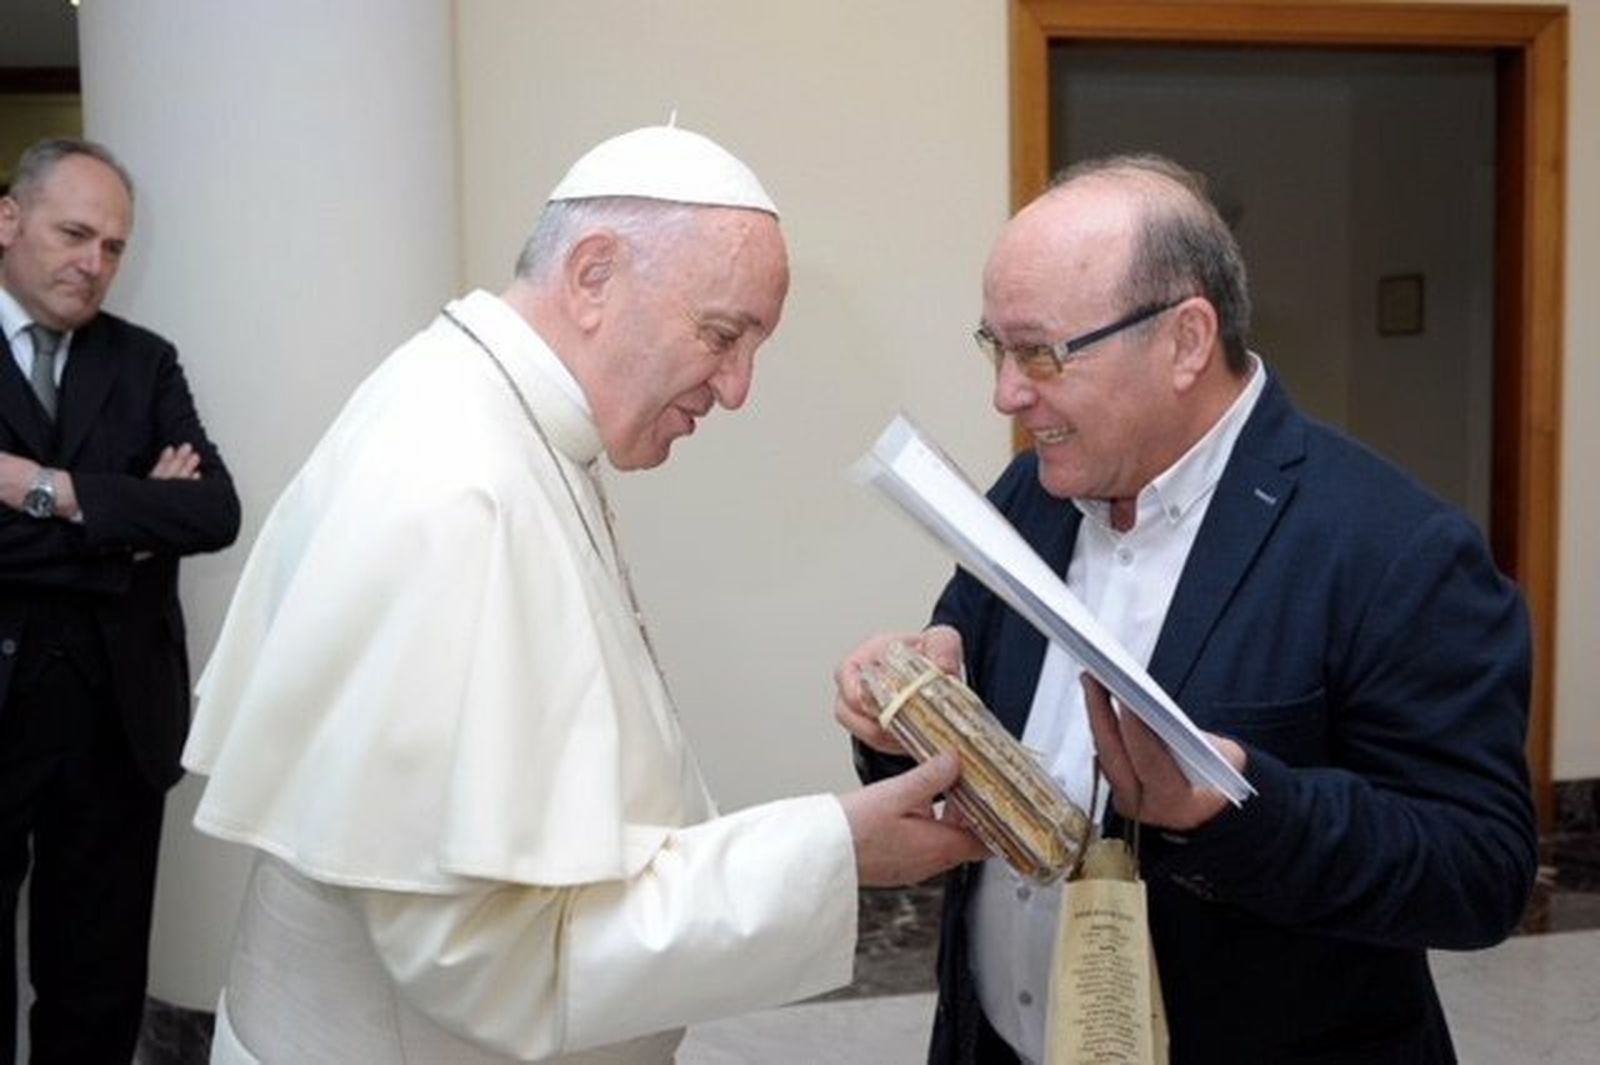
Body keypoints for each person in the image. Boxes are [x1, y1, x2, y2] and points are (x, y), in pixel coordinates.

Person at [181, 124, 987, 1064]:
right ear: (594, 274)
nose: (737, 389)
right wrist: (834, 854)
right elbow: (487, 960)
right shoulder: (459, 483)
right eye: (722, 335)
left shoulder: (490, 412)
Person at [835, 154, 1538, 1064]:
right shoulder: (1031, 494)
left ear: (1185, 339)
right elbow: (970, 684)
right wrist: (902, 713)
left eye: (1041, 352)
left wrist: (1233, 806)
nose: (1006, 392)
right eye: (995, 347)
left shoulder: (1395, 547)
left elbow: (1480, 873)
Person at [0, 137, 241, 1063]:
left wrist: (49, 490)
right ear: (11, 220)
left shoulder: (144, 361)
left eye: (112, 246)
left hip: (114, 724)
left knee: (95, 988)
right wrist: (130, 524)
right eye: (74, 233)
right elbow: (167, 515)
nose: (93, 262)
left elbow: (213, 509)